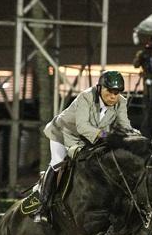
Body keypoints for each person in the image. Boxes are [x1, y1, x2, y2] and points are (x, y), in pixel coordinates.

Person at [35, 70, 138, 224]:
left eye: (117, 93)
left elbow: (125, 126)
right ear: (99, 88)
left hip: (88, 138)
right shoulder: (85, 97)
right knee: (57, 161)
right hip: (63, 133)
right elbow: (83, 126)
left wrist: (137, 138)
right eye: (109, 91)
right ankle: (43, 207)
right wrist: (107, 136)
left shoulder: (120, 102)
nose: (113, 96)